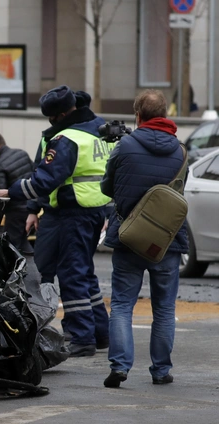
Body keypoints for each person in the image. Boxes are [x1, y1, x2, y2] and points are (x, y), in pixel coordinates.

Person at [0, 86, 111, 358]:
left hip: (72, 212)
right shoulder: (99, 129)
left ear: (58, 115)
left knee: (71, 274)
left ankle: (81, 337)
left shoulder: (66, 138)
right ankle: (101, 333)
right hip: (93, 209)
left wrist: (12, 192)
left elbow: (45, 179)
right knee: (84, 273)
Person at [100, 90, 188, 388]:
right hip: (166, 241)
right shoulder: (181, 150)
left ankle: (120, 367)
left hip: (129, 237)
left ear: (138, 115)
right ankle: (161, 371)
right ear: (164, 114)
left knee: (123, 304)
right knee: (164, 308)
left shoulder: (125, 146)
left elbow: (107, 187)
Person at [0, 132, 34, 255]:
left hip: (15, 211)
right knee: (24, 244)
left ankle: (16, 272)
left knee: (11, 247)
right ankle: (33, 270)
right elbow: (35, 177)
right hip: (32, 206)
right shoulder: (22, 153)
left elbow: (1, 192)